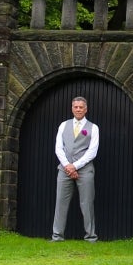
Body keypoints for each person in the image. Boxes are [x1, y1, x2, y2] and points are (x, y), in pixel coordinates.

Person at [52, 96, 100, 242]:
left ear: (86, 109)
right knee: (60, 202)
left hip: (85, 170)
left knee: (87, 203)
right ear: (72, 108)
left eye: (81, 107)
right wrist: (67, 166)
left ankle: (90, 237)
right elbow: (58, 148)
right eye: (76, 107)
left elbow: (92, 151)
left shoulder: (93, 127)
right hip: (64, 169)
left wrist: (75, 166)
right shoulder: (63, 125)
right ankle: (57, 236)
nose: (78, 109)